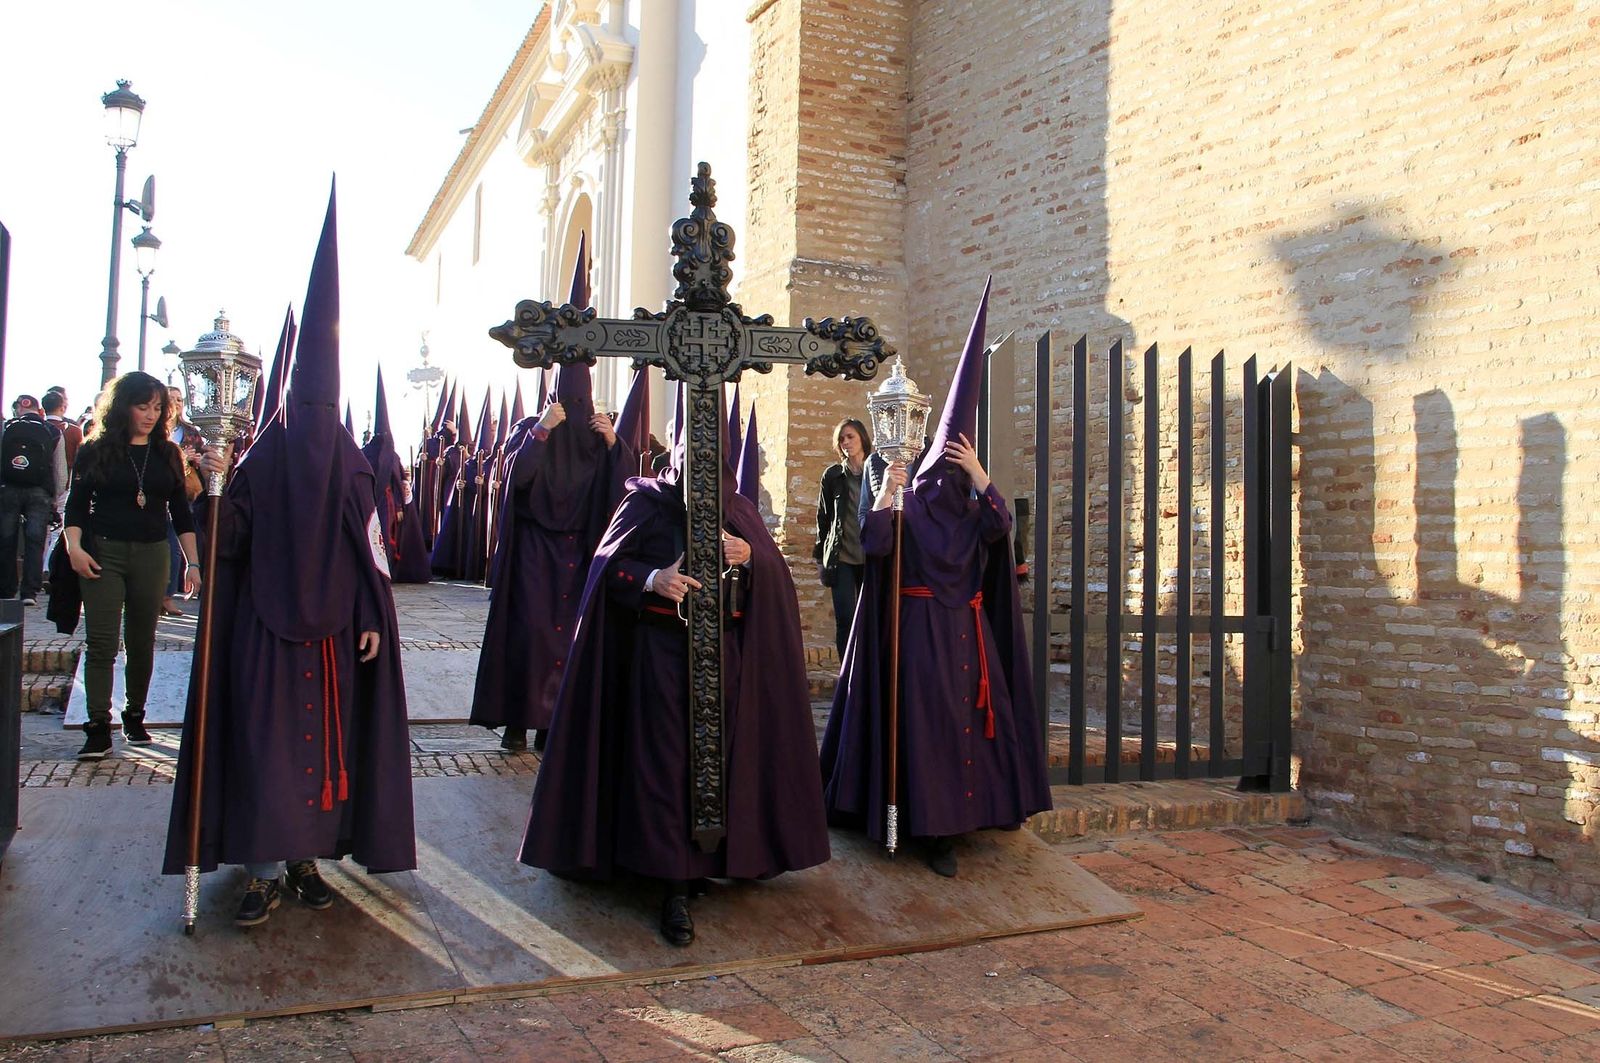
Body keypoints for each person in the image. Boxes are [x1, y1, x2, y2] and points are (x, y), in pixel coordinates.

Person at [162, 186, 416, 928]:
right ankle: (263, 869)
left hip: (333, 635)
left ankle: (307, 859)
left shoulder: (350, 463)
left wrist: (371, 616)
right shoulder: (262, 460)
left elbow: (368, 550)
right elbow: (231, 541)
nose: (314, 420)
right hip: (264, 630)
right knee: (268, 750)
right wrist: (214, 488)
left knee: (324, 755)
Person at [519, 401, 830, 947]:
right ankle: (671, 882)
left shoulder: (740, 510)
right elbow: (607, 568)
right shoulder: (645, 501)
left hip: (727, 658)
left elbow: (775, 577)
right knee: (665, 763)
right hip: (660, 654)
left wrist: (751, 556)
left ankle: (707, 859)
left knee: (717, 764)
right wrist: (652, 579)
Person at [820, 282, 1051, 878]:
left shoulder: (972, 510)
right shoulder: (911, 500)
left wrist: (981, 474)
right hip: (920, 634)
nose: (953, 478)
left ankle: (974, 816)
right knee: (928, 728)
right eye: (950, 466)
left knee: (973, 724)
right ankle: (932, 827)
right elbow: (875, 544)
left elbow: (1002, 529)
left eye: (960, 469)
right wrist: (887, 493)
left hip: (968, 634)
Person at [61, 374, 209, 758]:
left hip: (152, 553)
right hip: (103, 552)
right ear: (123, 407)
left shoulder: (167, 453)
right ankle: (97, 725)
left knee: (142, 641)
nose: (150, 415)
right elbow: (76, 505)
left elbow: (182, 513)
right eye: (143, 407)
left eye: (157, 408)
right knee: (102, 642)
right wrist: (74, 547)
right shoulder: (95, 450)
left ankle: (135, 715)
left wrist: (193, 563)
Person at [813, 418, 873, 659]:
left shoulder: (877, 472)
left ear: (862, 439)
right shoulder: (833, 475)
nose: (846, 442)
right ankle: (846, 671)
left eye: (850, 437)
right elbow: (823, 519)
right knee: (845, 618)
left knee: (871, 617)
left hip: (872, 557)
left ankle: (867, 670)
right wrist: (820, 559)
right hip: (842, 558)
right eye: (841, 439)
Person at [1, 394, 67, 606]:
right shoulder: (53, 432)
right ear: (40, 410)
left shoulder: (7, 428)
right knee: (35, 540)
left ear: (19, 409)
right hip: (39, 491)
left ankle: (6, 589)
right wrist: (55, 497)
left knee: (6, 539)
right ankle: (29, 591)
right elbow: (60, 471)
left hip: (9, 488)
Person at [40, 390, 82, 569]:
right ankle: (48, 566)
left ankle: (39, 565)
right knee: (58, 527)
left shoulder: (39, 427)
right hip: (65, 482)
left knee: (41, 528)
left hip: (40, 483)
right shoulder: (74, 431)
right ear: (63, 407)